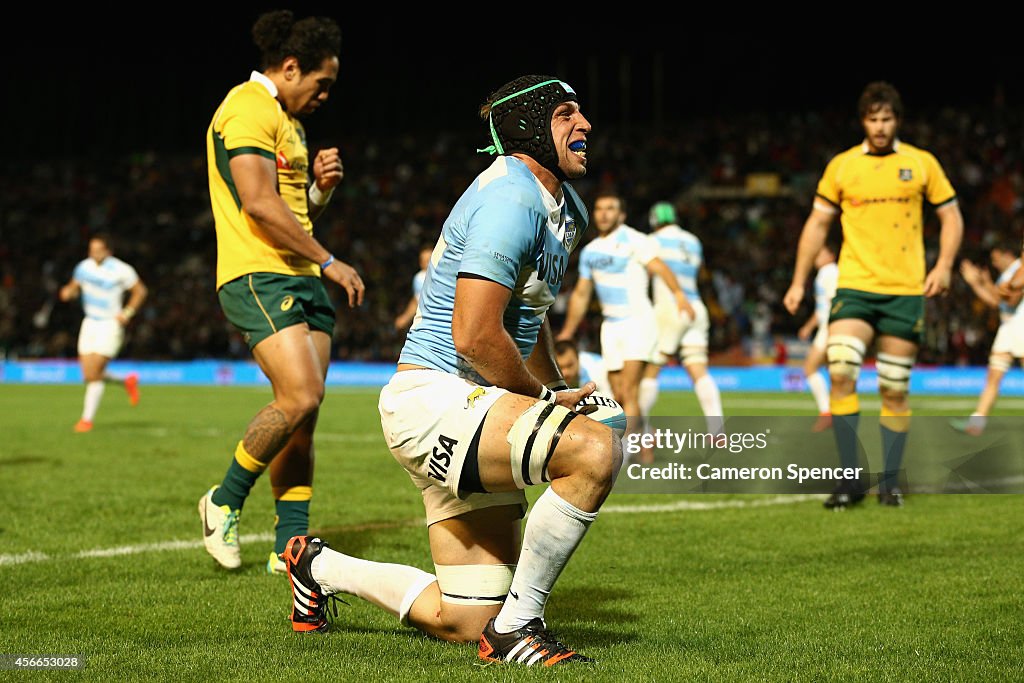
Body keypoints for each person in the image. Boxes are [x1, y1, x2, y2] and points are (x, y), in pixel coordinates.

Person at [283, 74, 613, 666]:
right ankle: (519, 630)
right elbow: (476, 335)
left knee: (464, 618)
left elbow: (524, 324)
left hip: (473, 409)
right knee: (593, 452)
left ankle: (316, 566)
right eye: (566, 115)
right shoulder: (509, 197)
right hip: (434, 399)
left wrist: (559, 391)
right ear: (530, 128)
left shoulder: (567, 210)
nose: (585, 125)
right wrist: (542, 400)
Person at [198, 10, 364, 575]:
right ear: (290, 67)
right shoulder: (246, 106)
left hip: (300, 274)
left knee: (304, 415)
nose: (325, 95)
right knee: (299, 397)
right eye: (322, 83)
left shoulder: (288, 121)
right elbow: (259, 205)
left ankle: (289, 546)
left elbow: (290, 206)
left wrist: (318, 192)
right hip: (259, 272)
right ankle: (222, 501)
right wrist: (331, 260)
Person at [783, 81, 963, 509]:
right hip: (856, 286)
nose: (880, 127)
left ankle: (890, 482)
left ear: (897, 121)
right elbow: (816, 225)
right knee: (842, 368)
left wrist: (944, 265)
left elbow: (952, 217)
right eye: (873, 119)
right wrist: (798, 280)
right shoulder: (843, 166)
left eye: (887, 119)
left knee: (894, 388)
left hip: (904, 289)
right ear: (863, 121)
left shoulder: (921, 164)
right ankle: (850, 479)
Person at [557, 193, 694, 460]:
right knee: (618, 392)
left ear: (621, 215)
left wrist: (678, 296)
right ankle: (645, 436)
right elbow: (582, 294)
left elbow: (661, 268)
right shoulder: (590, 251)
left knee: (629, 390)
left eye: (611, 209)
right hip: (611, 326)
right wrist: (568, 331)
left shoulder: (636, 240)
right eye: (599, 209)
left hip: (638, 322)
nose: (604, 214)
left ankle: (624, 455)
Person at [644, 201, 724, 436]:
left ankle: (640, 430)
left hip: (671, 306)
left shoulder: (653, 241)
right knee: (699, 369)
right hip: (696, 306)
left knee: (651, 371)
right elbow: (699, 272)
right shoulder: (693, 241)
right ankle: (716, 427)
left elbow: (649, 272)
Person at [58, 233, 147, 433]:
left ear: (108, 251)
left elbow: (140, 291)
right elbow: (74, 287)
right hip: (89, 323)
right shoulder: (83, 267)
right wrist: (68, 292)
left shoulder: (122, 270)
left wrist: (128, 313)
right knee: (89, 373)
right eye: (91, 250)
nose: (94, 253)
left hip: (110, 324)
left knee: (93, 372)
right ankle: (126, 381)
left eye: (98, 250)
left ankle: (86, 420)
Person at [950, 242, 1023, 435]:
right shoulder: (1008, 274)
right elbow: (997, 303)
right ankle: (977, 423)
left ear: (1007, 253)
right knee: (993, 377)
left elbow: (1011, 299)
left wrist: (984, 283)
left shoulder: (1019, 269)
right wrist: (977, 283)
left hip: (1021, 326)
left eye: (995, 257)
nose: (994, 262)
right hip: (1008, 327)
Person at [794, 242, 839, 432]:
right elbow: (822, 308)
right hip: (827, 327)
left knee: (810, 367)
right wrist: (808, 326)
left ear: (831, 254)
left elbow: (835, 303)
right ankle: (835, 413)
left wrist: (831, 330)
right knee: (834, 373)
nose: (815, 257)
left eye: (819, 253)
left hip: (831, 328)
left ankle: (827, 413)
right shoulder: (824, 274)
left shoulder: (830, 273)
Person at [394, 244, 433, 330]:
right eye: (424, 261)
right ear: (420, 263)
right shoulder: (419, 278)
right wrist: (404, 318)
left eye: (429, 260)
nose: (427, 264)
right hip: (428, 323)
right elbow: (417, 301)